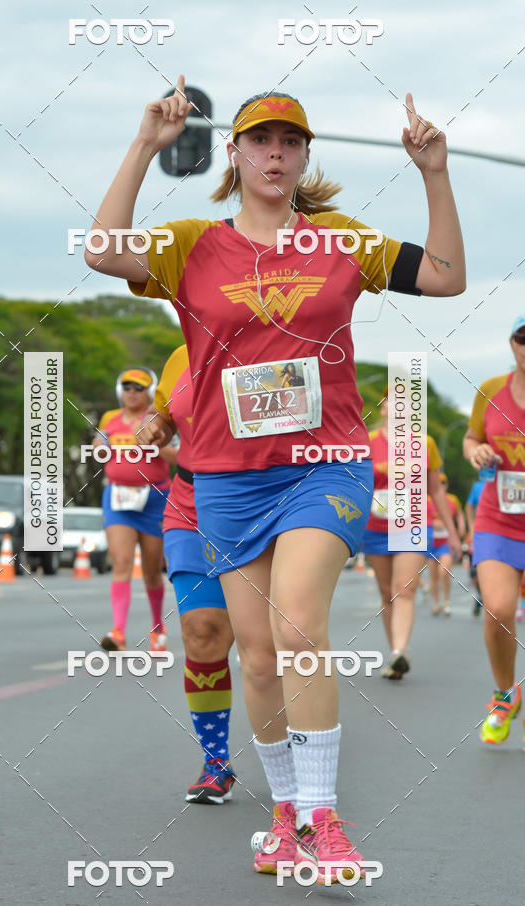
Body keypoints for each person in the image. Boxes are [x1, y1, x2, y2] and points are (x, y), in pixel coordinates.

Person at [85, 77, 465, 881]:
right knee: (256, 659)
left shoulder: (342, 244)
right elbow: (101, 250)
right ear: (236, 152)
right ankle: (288, 814)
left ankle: (325, 821)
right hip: (225, 480)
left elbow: (443, 276)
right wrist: (145, 145)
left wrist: (435, 170)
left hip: (324, 469)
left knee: (298, 629)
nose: (276, 152)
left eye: (291, 141)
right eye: (261, 139)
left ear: (303, 157)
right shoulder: (192, 243)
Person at [140, 345, 236, 804]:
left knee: (269, 646)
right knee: (201, 632)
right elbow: (167, 416)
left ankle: (299, 758)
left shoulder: (288, 337)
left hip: (264, 505)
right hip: (191, 503)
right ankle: (216, 763)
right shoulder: (181, 355)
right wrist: (155, 427)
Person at [362, 398, 462, 678]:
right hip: (376, 527)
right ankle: (395, 653)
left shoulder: (425, 443)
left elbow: (437, 491)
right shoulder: (366, 442)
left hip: (413, 526)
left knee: (404, 589)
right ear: (382, 407)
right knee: (386, 594)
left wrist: (453, 534)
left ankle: (399, 652)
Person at [463, 316, 525, 746]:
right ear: (512, 343)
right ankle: (504, 694)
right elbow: (470, 437)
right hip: (497, 519)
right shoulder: (490, 390)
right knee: (499, 609)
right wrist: (476, 450)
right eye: (524, 338)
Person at [93, 367, 173, 652]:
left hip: (155, 498)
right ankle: (118, 632)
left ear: (150, 392)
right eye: (127, 386)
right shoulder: (109, 419)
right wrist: (99, 446)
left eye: (139, 388)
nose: (132, 392)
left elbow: (178, 455)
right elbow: (100, 444)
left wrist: (154, 444)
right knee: (122, 563)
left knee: (152, 570)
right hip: (118, 498)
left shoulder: (157, 419)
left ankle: (157, 628)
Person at [428, 474, 466, 616]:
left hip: (446, 543)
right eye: (438, 482)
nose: (441, 485)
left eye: (443, 483)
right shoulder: (426, 499)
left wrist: (461, 526)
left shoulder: (452, 500)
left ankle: (446, 602)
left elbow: (459, 514)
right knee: (434, 576)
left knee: (444, 571)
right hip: (431, 543)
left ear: (446, 485)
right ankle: (437, 603)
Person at [465, 476, 486, 613]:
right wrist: (471, 529)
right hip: (479, 534)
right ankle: (481, 595)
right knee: (474, 573)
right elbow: (468, 506)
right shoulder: (478, 486)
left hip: (500, 535)